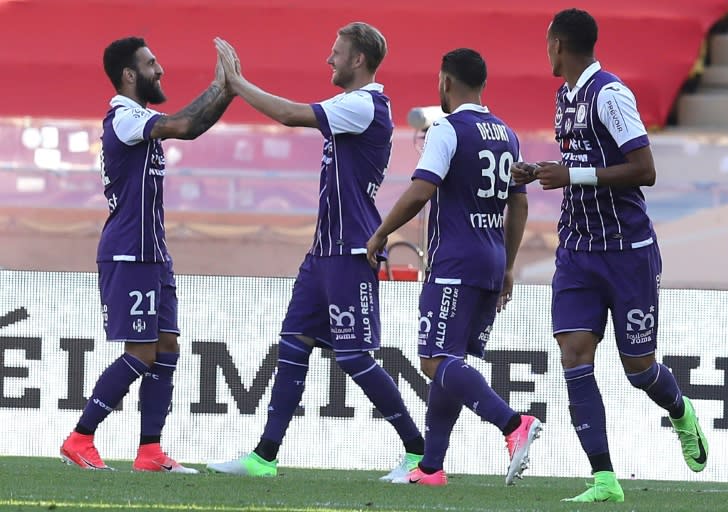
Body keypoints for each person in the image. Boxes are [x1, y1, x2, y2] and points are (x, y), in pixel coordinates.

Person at [206, 23, 426, 480]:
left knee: (354, 357)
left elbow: (289, 115)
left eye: (336, 53)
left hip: (350, 250)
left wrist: (238, 84)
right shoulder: (354, 105)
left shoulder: (363, 104)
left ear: (358, 61)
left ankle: (419, 452)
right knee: (292, 346)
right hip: (323, 251)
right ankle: (264, 457)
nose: (329, 61)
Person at [511, 8, 709, 502]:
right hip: (577, 248)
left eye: (547, 43)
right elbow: (580, 161)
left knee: (638, 368)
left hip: (626, 252)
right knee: (574, 355)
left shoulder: (611, 94)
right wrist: (541, 170)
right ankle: (604, 480)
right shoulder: (566, 96)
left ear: (558, 45)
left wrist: (572, 176)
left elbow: (644, 169)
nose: (546, 51)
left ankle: (681, 412)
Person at [367, 48, 541, 486]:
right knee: (451, 361)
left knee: (433, 360)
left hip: (455, 262)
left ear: (445, 82)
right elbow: (518, 204)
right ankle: (431, 467)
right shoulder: (506, 133)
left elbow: (422, 189)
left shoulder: (447, 129)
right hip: (491, 259)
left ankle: (512, 423)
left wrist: (381, 231)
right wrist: (509, 265)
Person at [59, 36, 234, 472]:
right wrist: (223, 85)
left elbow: (189, 126)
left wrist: (226, 90)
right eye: (152, 64)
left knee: (168, 346)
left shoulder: (139, 118)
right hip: (129, 252)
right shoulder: (124, 117)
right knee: (141, 352)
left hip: (153, 252)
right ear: (129, 75)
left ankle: (150, 452)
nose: (161, 70)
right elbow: (185, 125)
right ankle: (80, 437)